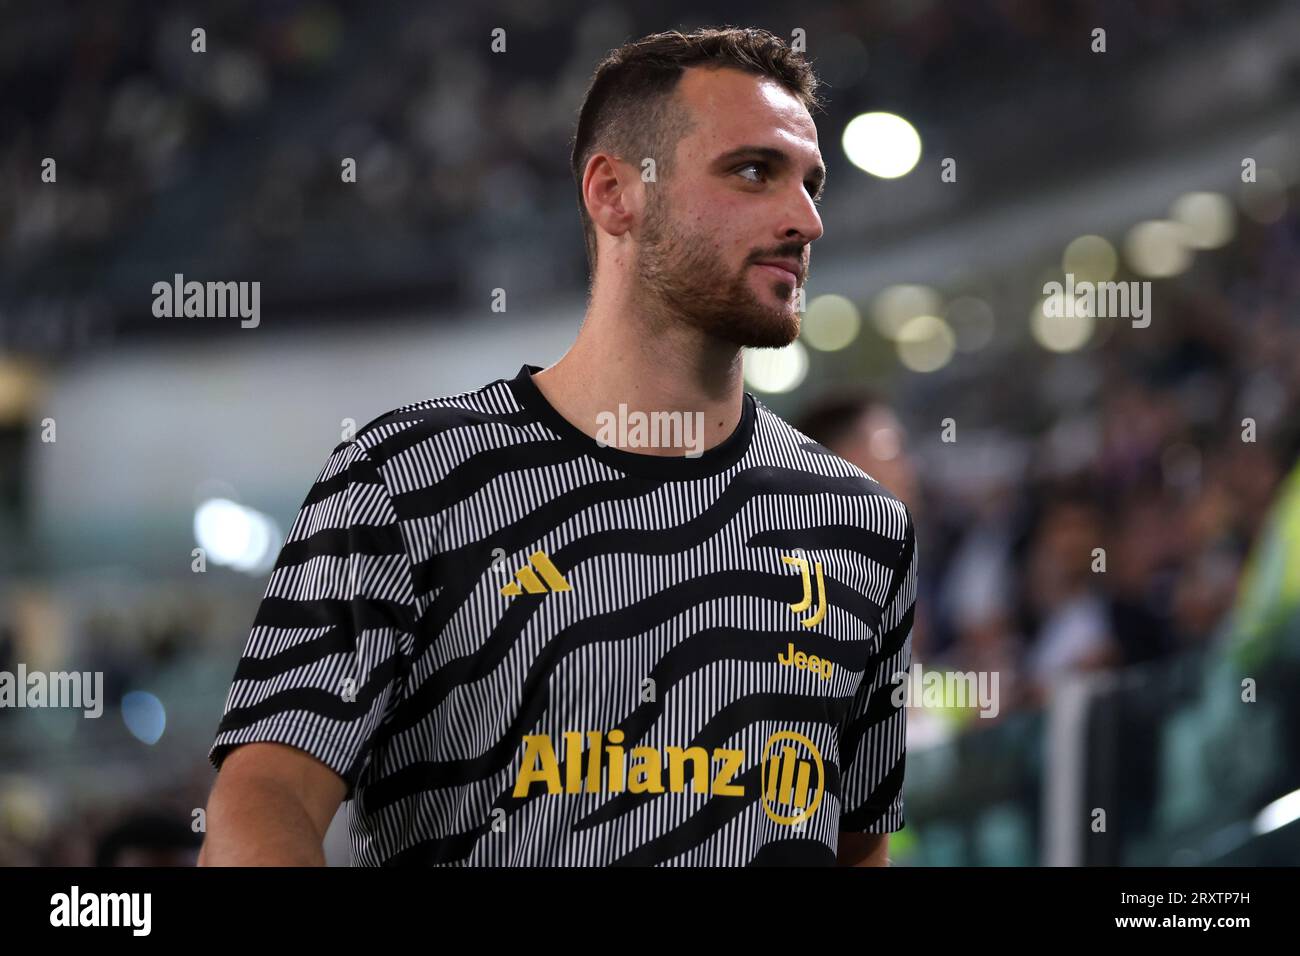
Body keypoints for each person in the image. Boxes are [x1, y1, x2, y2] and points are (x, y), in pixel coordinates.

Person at [200, 26, 917, 867]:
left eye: (811, 183)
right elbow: (263, 798)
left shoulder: (862, 526)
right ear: (614, 193)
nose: (806, 220)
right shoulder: (403, 483)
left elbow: (860, 846)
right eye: (754, 172)